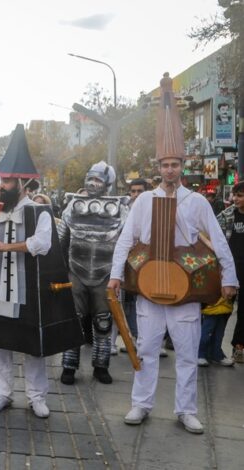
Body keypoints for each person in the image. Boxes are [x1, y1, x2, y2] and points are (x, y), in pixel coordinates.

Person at [109, 74, 237, 435]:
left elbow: (218, 240)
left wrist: (229, 277)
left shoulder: (196, 201)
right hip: (150, 287)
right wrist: (116, 275)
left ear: (181, 166)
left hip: (186, 289)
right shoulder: (145, 201)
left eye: (175, 164)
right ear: (157, 167)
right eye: (164, 165)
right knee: (146, 352)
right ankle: (141, 404)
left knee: (186, 355)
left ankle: (186, 410)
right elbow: (125, 240)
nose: (169, 170)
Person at [0, 124, 82, 419]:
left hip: (28, 288)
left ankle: (36, 397)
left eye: (6, 182)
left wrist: (5, 248)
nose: (0, 186)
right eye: (0, 181)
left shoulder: (38, 211)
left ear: (21, 183)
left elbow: (41, 244)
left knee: (31, 345)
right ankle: (3, 394)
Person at [58, 162, 128, 385]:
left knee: (103, 322)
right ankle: (69, 367)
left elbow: (126, 242)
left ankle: (101, 366)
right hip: (75, 271)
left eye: (98, 180)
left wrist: (120, 275)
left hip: (105, 274)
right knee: (73, 321)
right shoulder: (72, 206)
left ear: (107, 184)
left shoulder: (120, 209)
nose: (92, 183)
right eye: (91, 178)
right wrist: (60, 270)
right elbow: (62, 239)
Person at [111, 178, 151, 355]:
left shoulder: (151, 208)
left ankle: (138, 341)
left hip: (142, 266)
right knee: (115, 303)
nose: (136, 195)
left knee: (138, 306)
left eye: (140, 191)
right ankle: (111, 343)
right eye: (133, 191)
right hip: (121, 265)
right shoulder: (120, 210)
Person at [216, 181, 244, 363]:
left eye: (240, 195)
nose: (236, 199)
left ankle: (238, 346)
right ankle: (212, 348)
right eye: (235, 195)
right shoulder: (226, 215)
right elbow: (212, 236)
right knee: (221, 310)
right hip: (230, 270)